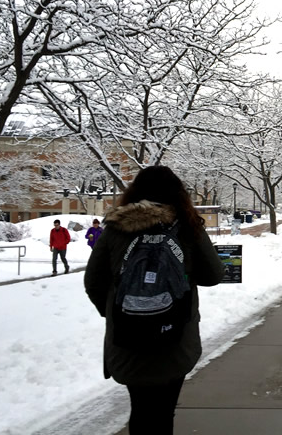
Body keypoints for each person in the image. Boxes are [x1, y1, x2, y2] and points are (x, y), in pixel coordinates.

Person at [84, 166, 224, 435]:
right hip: (175, 338)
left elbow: (93, 281)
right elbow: (214, 275)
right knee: (163, 411)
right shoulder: (186, 226)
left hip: (127, 339)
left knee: (140, 409)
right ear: (178, 194)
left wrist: (119, 312)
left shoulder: (115, 228)